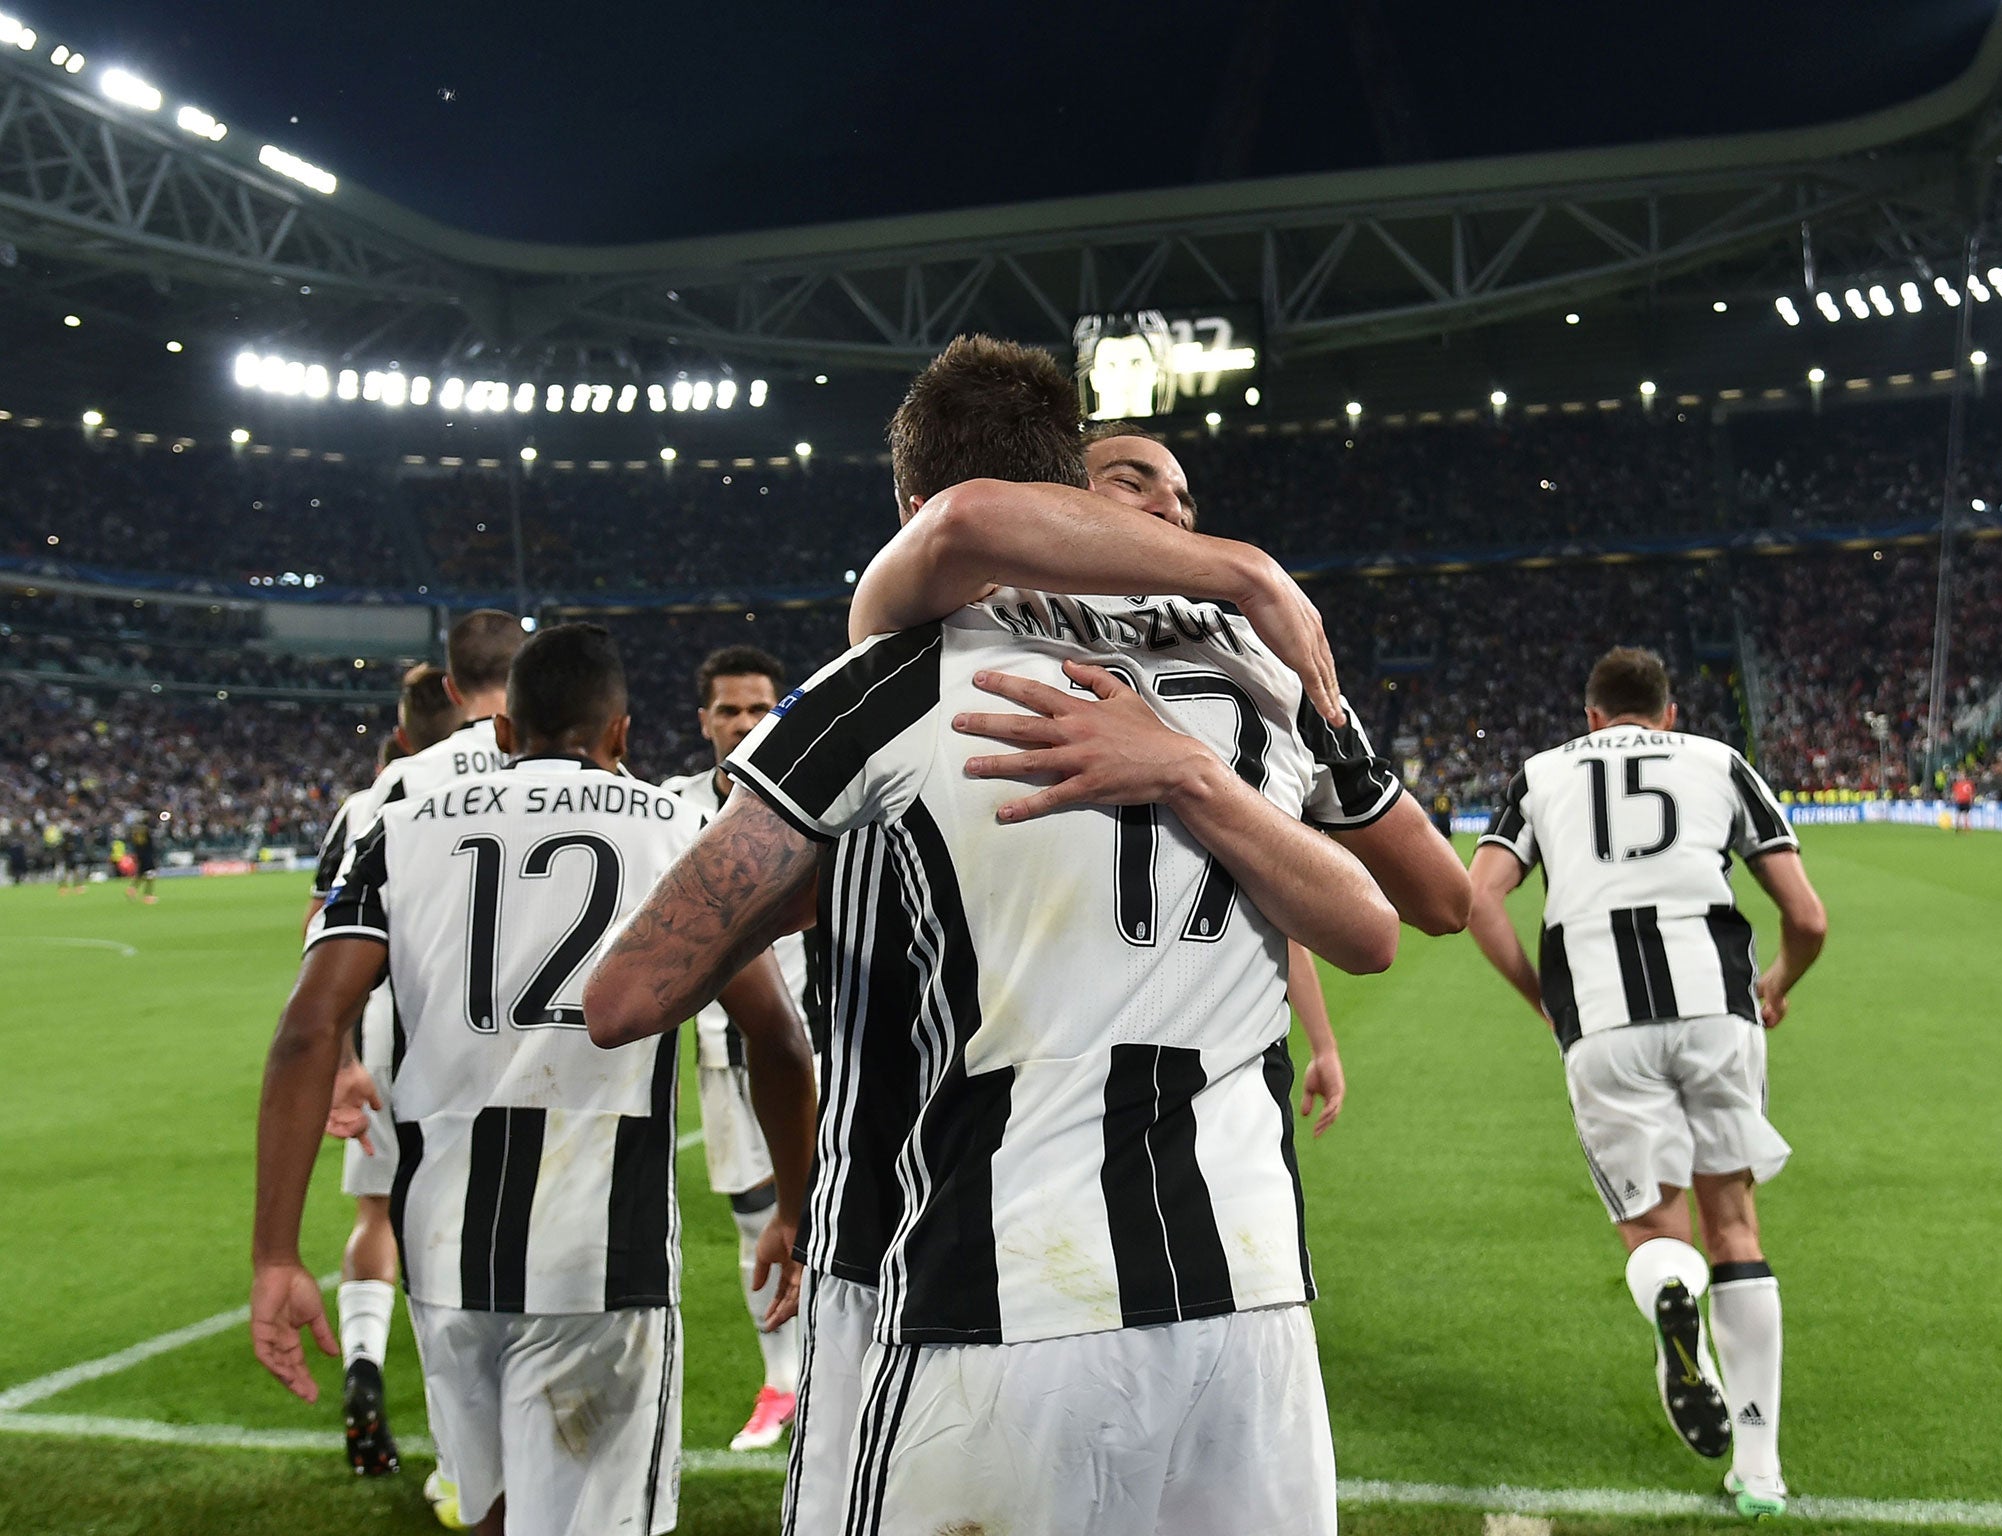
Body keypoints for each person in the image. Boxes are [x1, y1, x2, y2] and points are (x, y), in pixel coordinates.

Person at [586, 337, 1435, 1536]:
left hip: (989, 1287)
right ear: (1072, 489)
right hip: (1245, 1297)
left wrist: (810, 886)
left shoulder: (882, 682)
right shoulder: (1253, 687)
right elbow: (1382, 919)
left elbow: (626, 998)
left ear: (903, 510)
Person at [253, 623, 818, 1536]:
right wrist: (794, 1208)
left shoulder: (398, 828)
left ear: (505, 733)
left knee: (487, 1511)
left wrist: (275, 1256)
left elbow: (306, 1030)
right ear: (623, 735)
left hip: (440, 1244)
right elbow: (779, 1041)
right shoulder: (677, 827)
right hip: (603, 1250)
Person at [1466, 647, 1827, 1521]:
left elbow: (1477, 900)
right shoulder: (1718, 760)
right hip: (1719, 1011)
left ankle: (1672, 1292)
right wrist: (1773, 985)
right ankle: (1760, 1470)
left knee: (1656, 1233)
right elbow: (1808, 918)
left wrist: (1543, 1001)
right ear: (1668, 713)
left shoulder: (1542, 773)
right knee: (1735, 1226)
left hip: (1603, 1021)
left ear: (1591, 716)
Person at [302, 663, 462, 1483]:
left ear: (399, 735)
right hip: (477, 1048)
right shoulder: (513, 778)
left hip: (379, 1040)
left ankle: (364, 1361)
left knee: (377, 1214)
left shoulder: (372, 801)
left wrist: (341, 1062)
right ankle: (460, 1442)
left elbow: (318, 930)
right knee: (465, 1233)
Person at [658, 644, 815, 1452]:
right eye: (730, 710)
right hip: (725, 1051)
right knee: (757, 1214)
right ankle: (783, 1381)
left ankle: (840, 1369)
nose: (746, 723)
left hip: (828, 1044)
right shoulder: (668, 809)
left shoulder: (822, 794)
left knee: (846, 1213)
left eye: (760, 708)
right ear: (704, 721)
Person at [124, 817, 160, 903]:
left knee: (141, 873)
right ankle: (148, 895)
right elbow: (151, 844)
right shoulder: (147, 831)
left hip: (139, 855)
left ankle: (132, 889)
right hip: (148, 855)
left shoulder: (136, 831)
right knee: (151, 875)